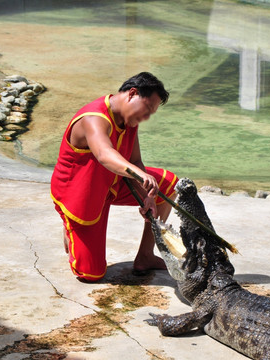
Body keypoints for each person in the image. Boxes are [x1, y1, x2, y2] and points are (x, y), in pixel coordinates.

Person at [50, 72, 178, 282]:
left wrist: (147, 197)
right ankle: (69, 222)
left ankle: (145, 256)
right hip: (81, 194)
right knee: (91, 274)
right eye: (147, 110)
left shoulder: (129, 121)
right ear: (132, 94)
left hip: (112, 182)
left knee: (169, 186)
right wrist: (139, 175)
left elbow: (135, 161)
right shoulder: (94, 117)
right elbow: (104, 154)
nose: (146, 118)